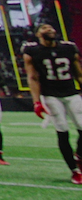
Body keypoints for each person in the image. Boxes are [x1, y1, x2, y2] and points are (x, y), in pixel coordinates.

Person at [21, 24, 82, 184]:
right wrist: (36, 102)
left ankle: (79, 156)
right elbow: (33, 77)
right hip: (50, 96)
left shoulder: (68, 48)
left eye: (50, 27)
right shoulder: (32, 51)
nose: (49, 29)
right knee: (62, 130)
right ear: (37, 34)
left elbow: (78, 73)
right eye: (44, 28)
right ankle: (74, 170)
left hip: (71, 92)